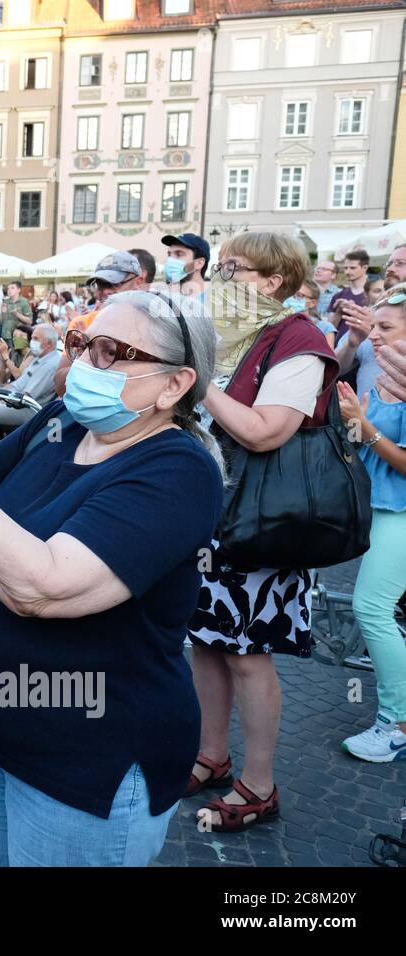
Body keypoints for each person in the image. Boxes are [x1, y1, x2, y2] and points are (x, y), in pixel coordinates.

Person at [0, 288, 223, 866]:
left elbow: (41, 588)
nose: (82, 364)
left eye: (111, 352)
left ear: (175, 385)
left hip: (87, 758)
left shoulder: (178, 470)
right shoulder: (63, 421)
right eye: (82, 344)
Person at [189, 231, 339, 832]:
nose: (221, 279)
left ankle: (259, 783)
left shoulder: (300, 339)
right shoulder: (235, 334)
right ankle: (211, 754)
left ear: (273, 281)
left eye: (234, 269)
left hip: (264, 518)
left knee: (248, 654)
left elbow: (265, 431)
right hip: (214, 509)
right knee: (204, 639)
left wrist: (197, 380)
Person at [334, 289, 406, 761]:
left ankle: (395, 721)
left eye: (387, 328)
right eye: (373, 327)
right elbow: (364, 449)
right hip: (374, 509)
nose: (373, 337)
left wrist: (365, 425)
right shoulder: (377, 380)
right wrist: (353, 425)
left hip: (399, 514)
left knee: (372, 608)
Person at [55, 252, 146, 397]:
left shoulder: (152, 326)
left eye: (114, 284)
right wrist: (84, 353)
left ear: (138, 282)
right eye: (99, 285)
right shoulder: (82, 324)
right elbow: (60, 386)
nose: (105, 292)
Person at [0, 324, 64, 457]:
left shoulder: (51, 363)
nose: (31, 341)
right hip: (19, 402)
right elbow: (16, 385)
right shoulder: (39, 358)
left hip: (31, 410)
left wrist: (2, 400)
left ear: (49, 344)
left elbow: (26, 396)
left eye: (35, 338)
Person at [335, 244, 406, 400]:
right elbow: (335, 368)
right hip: (363, 419)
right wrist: (351, 345)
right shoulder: (369, 315)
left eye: (400, 263)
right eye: (389, 263)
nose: (390, 269)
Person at [160, 233, 210, 300]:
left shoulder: (215, 303)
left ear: (199, 263)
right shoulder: (163, 299)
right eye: (169, 255)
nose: (170, 260)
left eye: (179, 254)